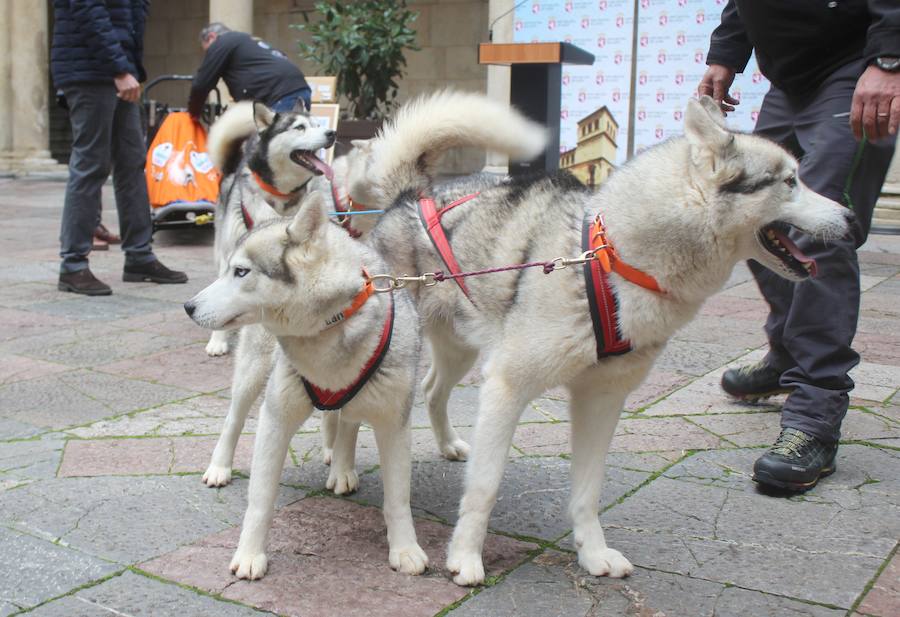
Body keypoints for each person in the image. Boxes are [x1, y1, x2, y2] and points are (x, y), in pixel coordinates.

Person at [699, 0, 899, 492]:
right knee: (755, 216)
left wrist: (889, 58)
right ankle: (788, 355)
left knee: (820, 230)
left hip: (856, 66)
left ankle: (814, 415)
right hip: (789, 81)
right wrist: (724, 56)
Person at [52, 0, 187, 296]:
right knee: (91, 164)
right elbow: (89, 11)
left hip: (120, 72)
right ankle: (73, 265)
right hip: (91, 72)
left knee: (132, 162)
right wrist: (119, 68)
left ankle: (139, 257)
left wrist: (129, 69)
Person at [188, 23, 312, 118]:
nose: (210, 55)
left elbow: (202, 83)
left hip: (280, 94)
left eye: (208, 51)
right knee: (295, 145)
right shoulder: (248, 40)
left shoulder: (222, 42)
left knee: (277, 146)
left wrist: (193, 114)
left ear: (211, 37)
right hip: (298, 88)